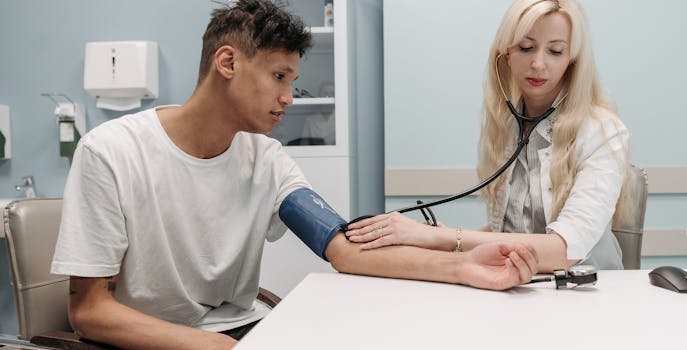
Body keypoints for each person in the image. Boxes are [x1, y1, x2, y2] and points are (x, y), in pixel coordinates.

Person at [50, 1, 539, 349]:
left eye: (294, 82)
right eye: (279, 76)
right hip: (156, 339)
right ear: (227, 62)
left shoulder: (266, 158)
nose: (289, 97)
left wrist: (465, 266)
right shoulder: (111, 153)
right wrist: (214, 348)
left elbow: (344, 249)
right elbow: (90, 311)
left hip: (245, 327)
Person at [346, 0, 637, 272]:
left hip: (591, 293)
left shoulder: (603, 132)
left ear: (572, 61)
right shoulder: (505, 125)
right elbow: (512, 232)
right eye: (525, 47)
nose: (538, 63)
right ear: (506, 55)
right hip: (521, 285)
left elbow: (564, 250)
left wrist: (438, 238)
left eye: (555, 51)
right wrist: (441, 235)